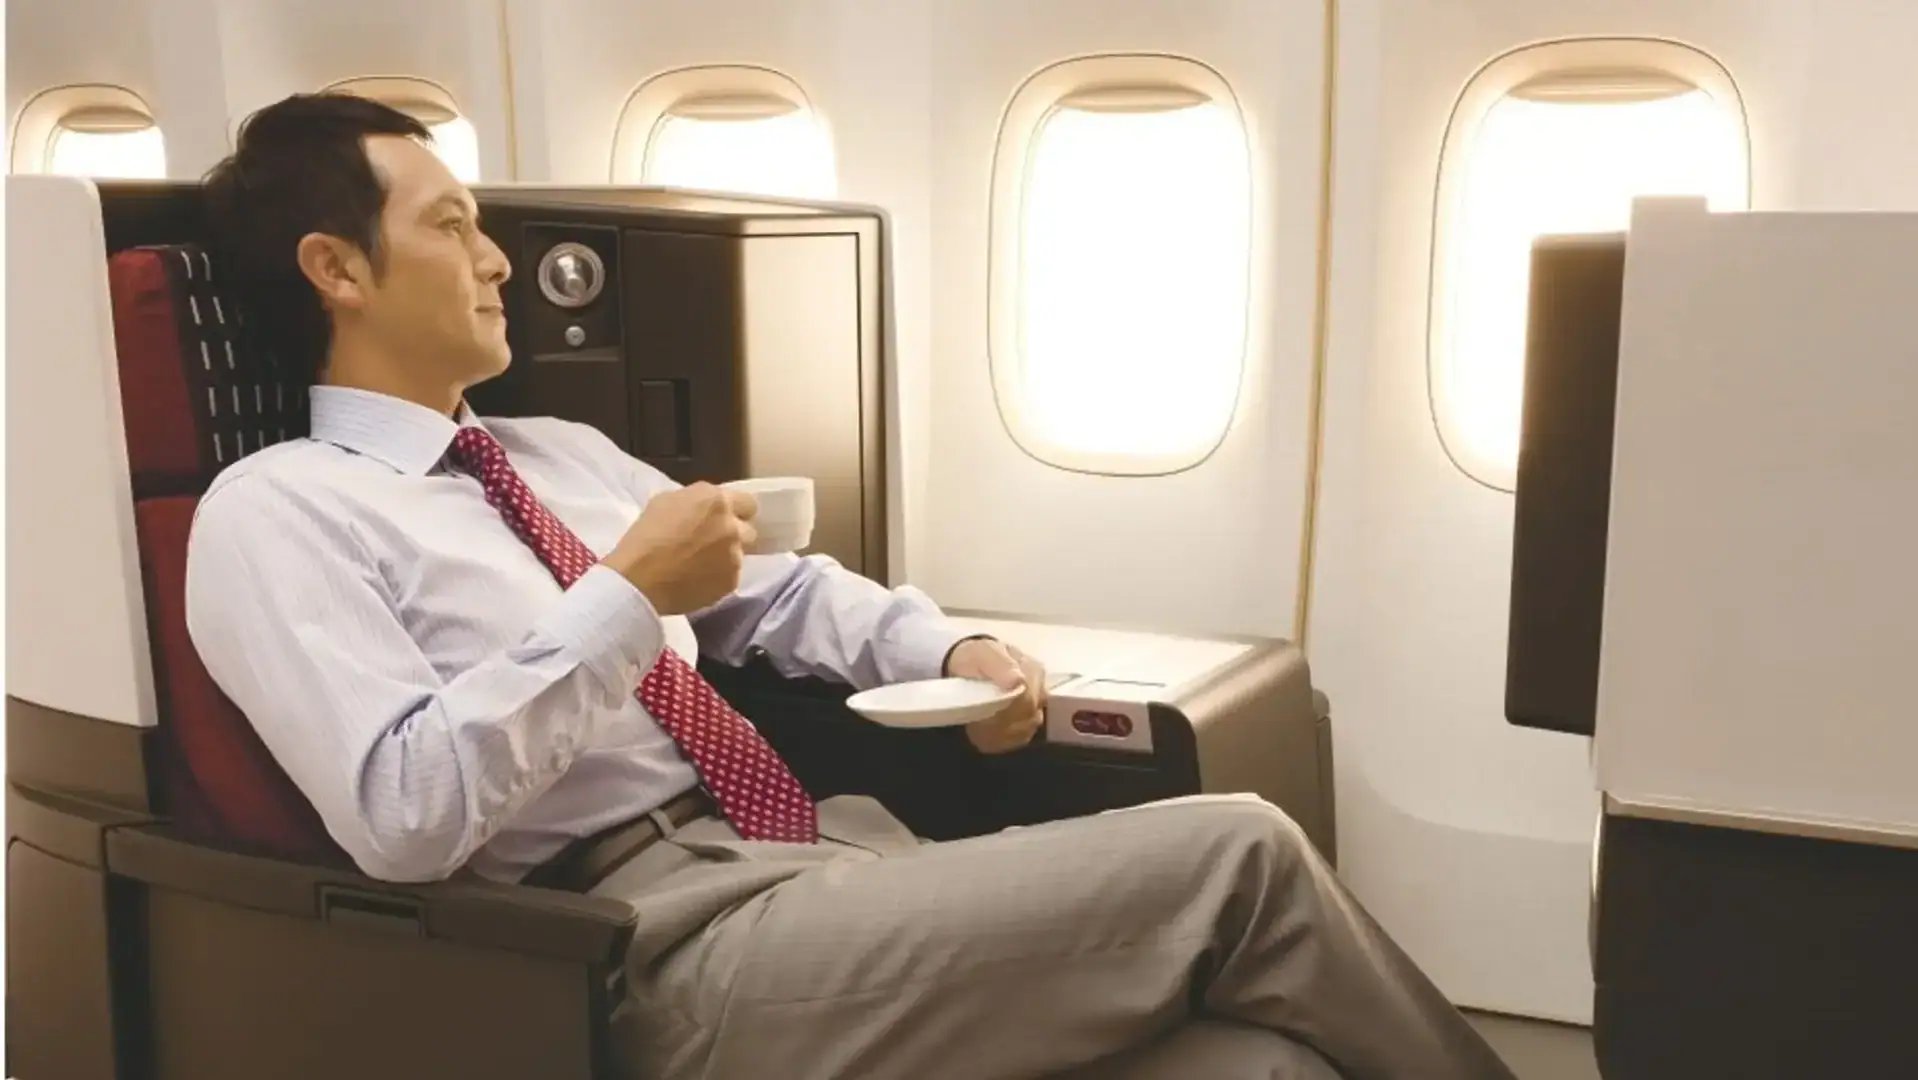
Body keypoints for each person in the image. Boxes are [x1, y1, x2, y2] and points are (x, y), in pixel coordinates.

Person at [184, 93, 1518, 1080]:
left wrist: (956, 647)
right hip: (629, 950)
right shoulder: (279, 513)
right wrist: (620, 600)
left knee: (1259, 1070)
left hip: (809, 864)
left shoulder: (552, 455)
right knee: (1238, 851)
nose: (495, 260)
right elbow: (403, 817)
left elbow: (772, 596)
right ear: (337, 268)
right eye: (452, 225)